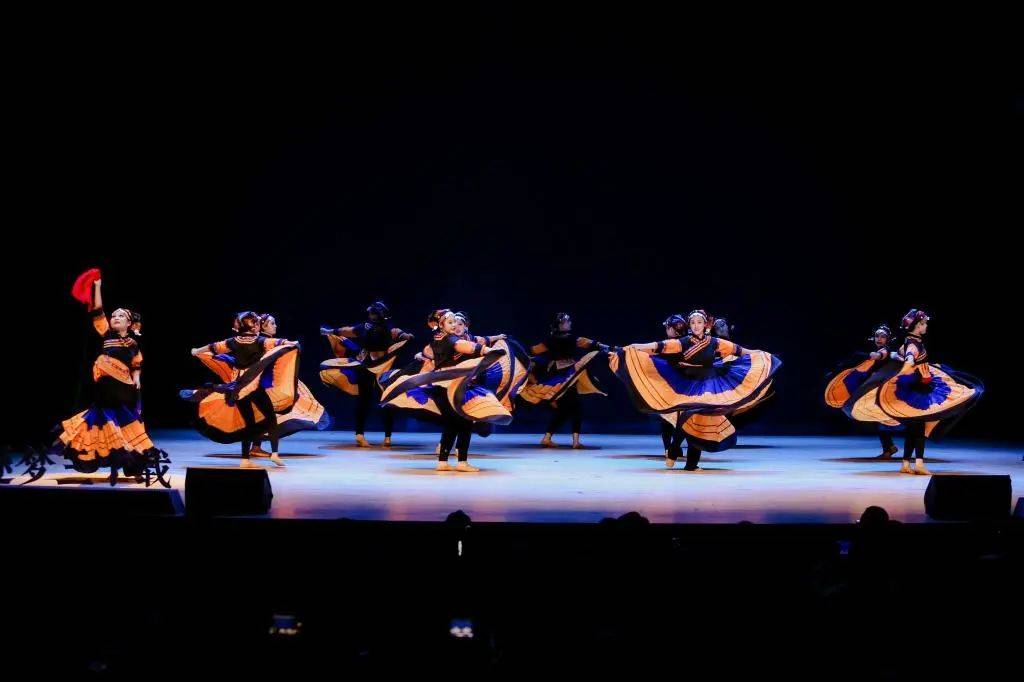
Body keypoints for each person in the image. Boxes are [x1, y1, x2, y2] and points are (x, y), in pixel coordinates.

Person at [612, 309, 781, 470]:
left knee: (699, 419)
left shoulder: (714, 342)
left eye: (699, 322)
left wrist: (761, 354)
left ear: (705, 324)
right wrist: (634, 347)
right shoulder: (684, 342)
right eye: (692, 323)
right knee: (686, 418)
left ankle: (689, 462)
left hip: (708, 385)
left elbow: (740, 350)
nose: (696, 325)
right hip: (687, 384)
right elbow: (659, 346)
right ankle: (674, 450)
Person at [53, 275, 164, 483]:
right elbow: (98, 310)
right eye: (114, 316)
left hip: (126, 391)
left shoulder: (133, 344)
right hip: (106, 390)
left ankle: (133, 464)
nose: (115, 318)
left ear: (129, 323)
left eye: (121, 316)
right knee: (103, 422)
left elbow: (136, 365)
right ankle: (95, 458)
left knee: (127, 424)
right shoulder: (107, 335)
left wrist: (137, 378)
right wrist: (97, 286)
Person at [183, 311, 299, 467]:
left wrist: (196, 351)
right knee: (271, 419)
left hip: (238, 389)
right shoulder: (261, 341)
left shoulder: (233, 341)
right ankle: (274, 454)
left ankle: (245, 460)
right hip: (254, 387)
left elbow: (213, 347)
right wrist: (291, 343)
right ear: (254, 327)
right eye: (257, 324)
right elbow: (278, 343)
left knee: (248, 424)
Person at [319, 301, 413, 447]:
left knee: (374, 401)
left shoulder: (375, 327)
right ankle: (379, 436)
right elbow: (347, 330)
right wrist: (407, 336)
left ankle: (371, 435)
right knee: (379, 401)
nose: (371, 315)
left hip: (376, 366)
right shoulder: (381, 328)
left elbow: (347, 330)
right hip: (374, 366)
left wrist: (331, 331)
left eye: (372, 313)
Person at [519, 312, 613, 449]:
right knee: (575, 408)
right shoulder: (571, 339)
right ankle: (573, 442)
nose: (569, 323)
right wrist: (608, 348)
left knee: (565, 410)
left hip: (556, 376)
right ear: (560, 325)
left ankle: (548, 438)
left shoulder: (550, 340)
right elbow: (590, 343)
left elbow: (532, 350)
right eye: (566, 322)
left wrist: (523, 357)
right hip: (566, 376)